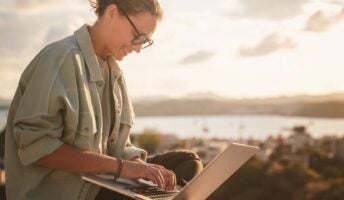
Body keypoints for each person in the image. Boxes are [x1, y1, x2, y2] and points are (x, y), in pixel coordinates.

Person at [4, 0, 203, 199]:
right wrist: (121, 167)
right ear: (112, 13)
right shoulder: (60, 58)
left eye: (145, 41)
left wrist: (140, 166)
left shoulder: (115, 73)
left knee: (188, 162)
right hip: (70, 191)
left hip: (106, 178)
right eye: (137, 36)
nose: (138, 49)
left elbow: (118, 146)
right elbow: (37, 148)